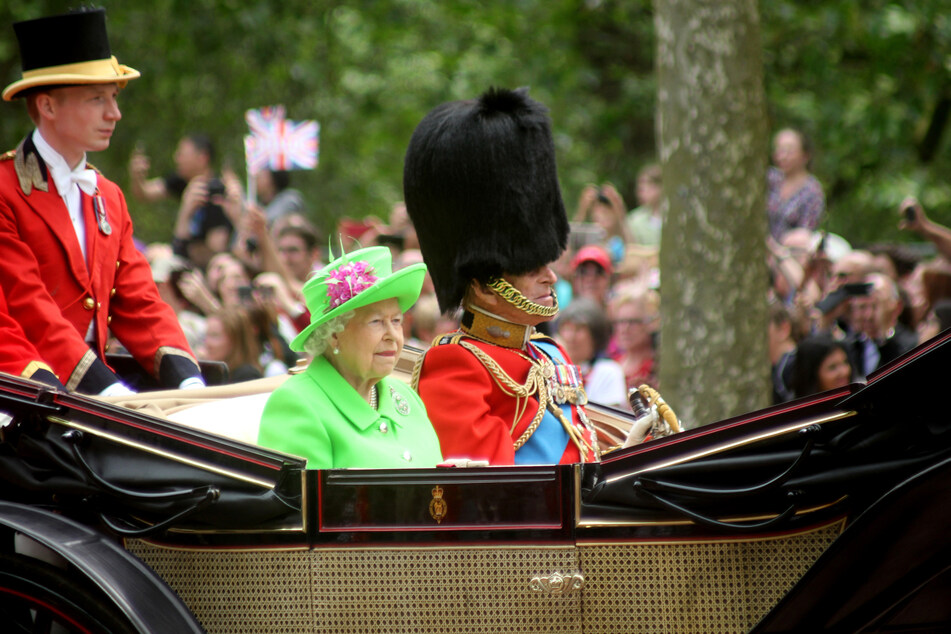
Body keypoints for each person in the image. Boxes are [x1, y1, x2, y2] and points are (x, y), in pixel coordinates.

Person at [0, 9, 204, 395]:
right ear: (47, 106)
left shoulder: (108, 195)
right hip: (27, 389)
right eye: (97, 99)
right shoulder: (4, 190)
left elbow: (140, 302)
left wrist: (188, 380)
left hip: (96, 391)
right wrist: (105, 390)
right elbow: (30, 307)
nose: (115, 113)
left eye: (113, 97)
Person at [404, 87, 600, 465]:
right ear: (481, 283)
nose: (550, 277)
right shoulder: (455, 365)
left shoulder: (548, 351)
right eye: (531, 267)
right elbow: (491, 496)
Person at [257, 246, 442, 469]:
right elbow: (304, 502)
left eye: (396, 321)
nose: (393, 336)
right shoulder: (296, 404)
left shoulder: (406, 396)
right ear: (334, 334)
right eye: (376, 322)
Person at [556, 298, 628, 409]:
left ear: (595, 336)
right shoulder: (552, 370)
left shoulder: (608, 371)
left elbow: (608, 420)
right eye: (567, 328)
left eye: (579, 330)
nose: (571, 337)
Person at [767, 128, 825, 241]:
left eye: (789, 151)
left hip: (791, 253)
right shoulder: (769, 179)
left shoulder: (812, 191)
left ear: (805, 155)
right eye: (778, 150)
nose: (782, 156)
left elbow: (805, 234)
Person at [199, 307, 263, 383]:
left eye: (214, 336)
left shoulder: (247, 375)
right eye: (206, 335)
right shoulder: (214, 372)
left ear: (235, 340)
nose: (207, 343)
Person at [789, 333, 853, 399]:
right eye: (832, 367)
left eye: (845, 362)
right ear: (812, 374)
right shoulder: (797, 408)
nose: (844, 371)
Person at [626, 163, 663, 247]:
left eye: (649, 183)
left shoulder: (674, 217)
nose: (642, 189)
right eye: (640, 185)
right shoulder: (634, 220)